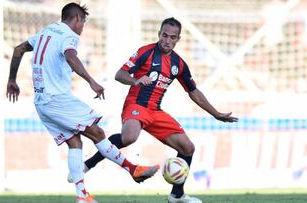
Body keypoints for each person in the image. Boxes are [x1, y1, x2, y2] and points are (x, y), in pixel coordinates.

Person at [5, 3, 159, 203]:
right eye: (83, 23)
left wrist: (11, 80)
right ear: (76, 18)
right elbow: (71, 56)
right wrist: (91, 81)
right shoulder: (69, 35)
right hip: (57, 99)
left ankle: (82, 195)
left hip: (42, 102)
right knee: (97, 133)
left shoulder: (45, 32)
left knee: (75, 142)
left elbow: (18, 50)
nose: (82, 28)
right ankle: (133, 169)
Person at [77, 17, 239, 203]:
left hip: (155, 111)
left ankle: (177, 195)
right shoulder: (145, 53)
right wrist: (135, 80)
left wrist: (216, 113)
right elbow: (119, 75)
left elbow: (193, 92)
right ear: (159, 34)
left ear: (178, 39)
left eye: (172, 37)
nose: (167, 40)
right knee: (129, 137)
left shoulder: (179, 64)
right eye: (164, 35)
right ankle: (88, 164)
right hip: (136, 105)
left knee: (188, 148)